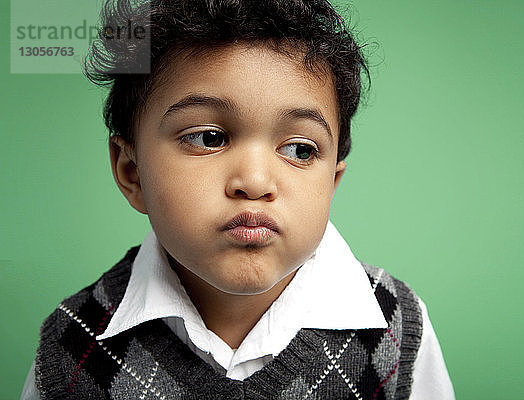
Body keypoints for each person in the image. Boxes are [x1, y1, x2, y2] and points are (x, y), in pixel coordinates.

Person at [21, 0, 454, 398]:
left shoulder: (394, 328)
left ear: (332, 183)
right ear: (131, 172)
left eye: (300, 149)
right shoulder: (72, 345)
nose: (255, 181)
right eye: (208, 138)